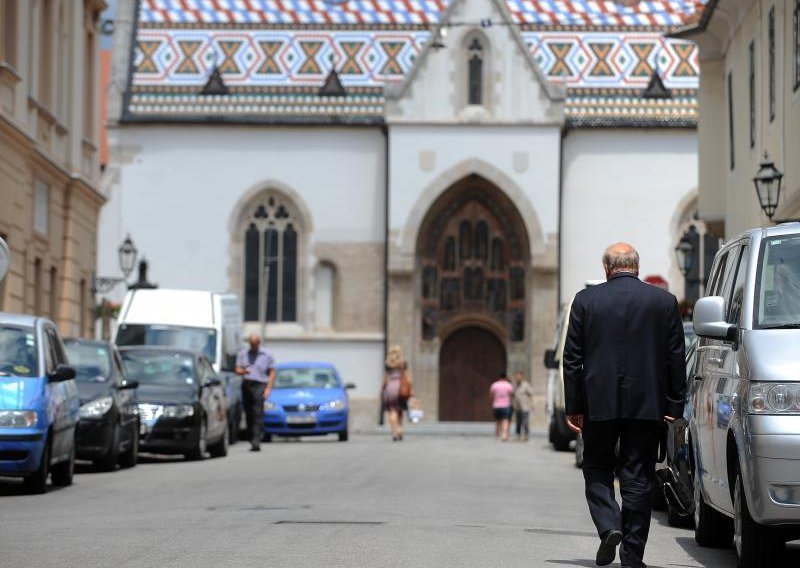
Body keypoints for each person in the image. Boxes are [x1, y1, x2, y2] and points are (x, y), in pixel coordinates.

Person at [563, 243, 685, 568]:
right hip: (647, 405)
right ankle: (632, 555)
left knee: (597, 467)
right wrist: (675, 404)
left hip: (598, 402)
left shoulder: (586, 301)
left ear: (607, 268)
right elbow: (676, 357)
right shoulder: (663, 302)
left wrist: (573, 405)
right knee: (638, 477)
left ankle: (608, 526)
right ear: (637, 266)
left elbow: (572, 358)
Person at [235, 333, 276, 452]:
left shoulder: (266, 354)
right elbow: (237, 368)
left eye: (255, 344)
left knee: (257, 412)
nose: (253, 347)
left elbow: (272, 372)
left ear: (258, 343)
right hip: (247, 384)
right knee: (248, 413)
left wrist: (268, 388)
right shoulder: (243, 354)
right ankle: (251, 437)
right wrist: (243, 371)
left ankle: (256, 440)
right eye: (251, 345)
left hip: (260, 384)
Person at [382, 345, 412, 441]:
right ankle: (400, 429)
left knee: (392, 410)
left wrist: (383, 389)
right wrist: (410, 388)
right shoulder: (402, 363)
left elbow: (385, 379)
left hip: (390, 387)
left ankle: (394, 432)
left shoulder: (388, 363)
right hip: (400, 386)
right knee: (400, 410)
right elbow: (407, 377)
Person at [489, 371, 514, 441]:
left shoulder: (494, 385)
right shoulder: (508, 385)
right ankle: (504, 435)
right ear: (506, 378)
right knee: (505, 420)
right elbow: (511, 394)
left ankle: (497, 435)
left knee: (497, 421)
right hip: (506, 405)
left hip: (496, 405)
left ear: (499, 377)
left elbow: (491, 394)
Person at [512, 371, 534, 442]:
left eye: (519, 376)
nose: (517, 378)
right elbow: (513, 395)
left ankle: (526, 435)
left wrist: (532, 404)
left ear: (522, 376)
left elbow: (530, 394)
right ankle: (518, 435)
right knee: (518, 422)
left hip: (525, 407)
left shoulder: (526, 385)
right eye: (516, 376)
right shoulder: (514, 385)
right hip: (517, 407)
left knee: (525, 422)